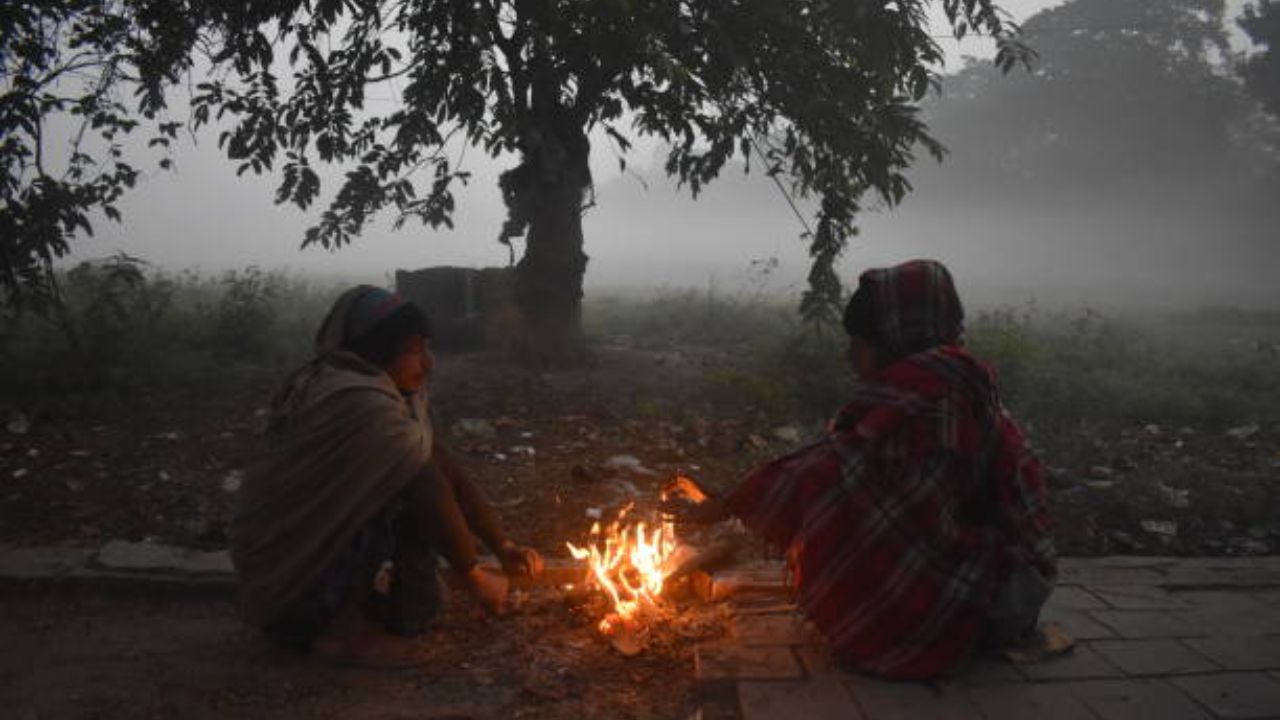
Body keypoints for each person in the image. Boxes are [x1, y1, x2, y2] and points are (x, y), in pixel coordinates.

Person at [666, 260, 1056, 680]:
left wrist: (727, 504)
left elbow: (831, 472)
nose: (849, 355)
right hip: (1014, 583)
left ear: (896, 341)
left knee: (852, 507)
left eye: (859, 343)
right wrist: (734, 498)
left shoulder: (929, 403)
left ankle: (903, 631)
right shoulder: (953, 383)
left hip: (992, 597)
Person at [231, 285, 543, 667]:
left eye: (427, 347)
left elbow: (441, 466)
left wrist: (501, 545)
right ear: (376, 352)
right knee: (409, 495)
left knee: (416, 503)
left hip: (301, 572)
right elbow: (425, 480)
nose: (427, 363)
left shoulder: (385, 394)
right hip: (289, 583)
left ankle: (382, 611)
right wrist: (473, 575)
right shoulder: (355, 402)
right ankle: (336, 633)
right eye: (412, 351)